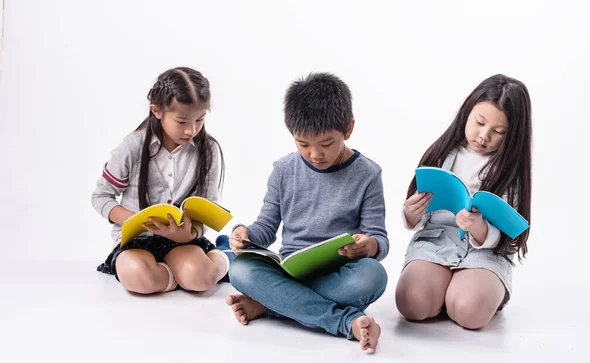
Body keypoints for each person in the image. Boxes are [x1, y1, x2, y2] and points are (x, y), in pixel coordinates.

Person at [224, 72, 389, 353]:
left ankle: (272, 304)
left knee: (373, 276)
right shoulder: (284, 170)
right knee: (239, 268)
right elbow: (265, 227)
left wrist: (369, 246)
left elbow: (379, 240)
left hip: (337, 275)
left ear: (348, 129)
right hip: (290, 270)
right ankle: (345, 321)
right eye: (303, 144)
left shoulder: (368, 174)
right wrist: (245, 235)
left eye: (326, 144)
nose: (315, 154)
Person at [395, 74, 532, 329]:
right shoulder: (443, 152)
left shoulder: (510, 171)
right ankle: (443, 288)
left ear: (512, 135)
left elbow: (508, 234)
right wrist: (411, 212)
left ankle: (467, 289)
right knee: (411, 303)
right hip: (436, 241)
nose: (483, 136)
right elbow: (418, 216)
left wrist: (479, 229)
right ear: (467, 112)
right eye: (479, 122)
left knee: (470, 313)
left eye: (498, 132)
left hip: (485, 253)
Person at [92, 67, 231, 294]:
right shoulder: (131, 148)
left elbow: (210, 208)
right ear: (156, 111)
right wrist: (132, 219)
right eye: (182, 121)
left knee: (201, 279)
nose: (192, 130)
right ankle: (175, 273)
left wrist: (189, 234)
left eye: (199, 120)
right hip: (137, 239)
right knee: (139, 278)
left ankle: (223, 256)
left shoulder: (209, 150)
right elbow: (100, 196)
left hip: (182, 240)